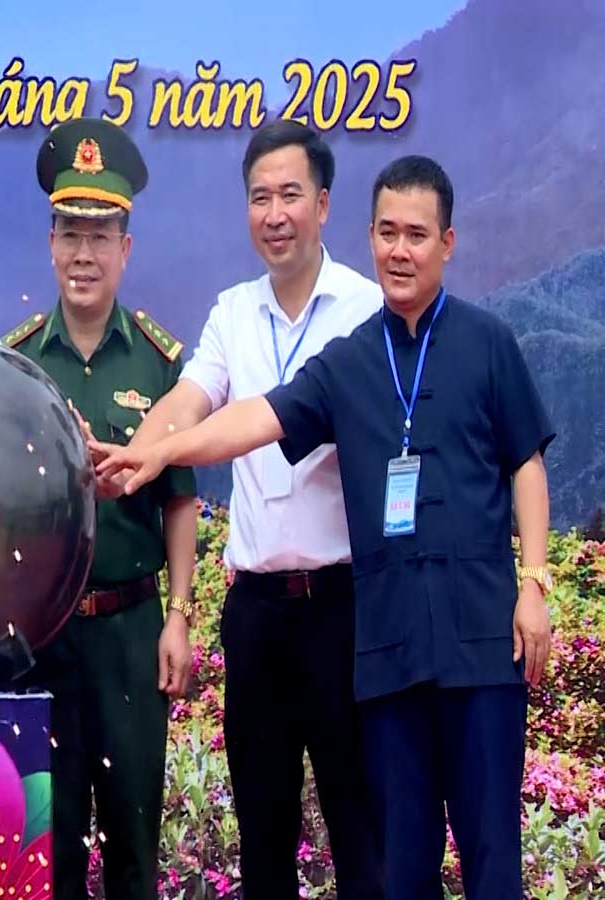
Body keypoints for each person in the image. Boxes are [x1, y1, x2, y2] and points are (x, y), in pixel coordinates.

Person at [95, 155, 555, 900]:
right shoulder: (348, 359)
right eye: (387, 233)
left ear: (447, 242)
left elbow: (524, 461)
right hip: (382, 648)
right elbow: (251, 417)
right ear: (369, 235)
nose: (399, 250)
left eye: (416, 235)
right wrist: (156, 453)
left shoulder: (482, 339)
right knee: (396, 863)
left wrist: (534, 582)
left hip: (460, 637)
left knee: (486, 857)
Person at [115, 120, 383, 898]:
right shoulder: (233, 311)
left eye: (289, 195)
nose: (274, 214)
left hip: (344, 607)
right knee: (264, 831)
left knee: (359, 826)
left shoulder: (365, 309)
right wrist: (137, 453)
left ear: (323, 204)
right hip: (257, 613)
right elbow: (190, 399)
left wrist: (164, 452)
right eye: (259, 197)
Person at [0, 118, 198, 900]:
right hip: (43, 636)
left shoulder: (160, 363)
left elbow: (180, 501)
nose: (85, 253)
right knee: (48, 850)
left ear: (126, 248)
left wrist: (178, 616)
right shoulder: (15, 364)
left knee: (132, 843)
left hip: (130, 633)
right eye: (71, 234)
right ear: (50, 244)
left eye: (101, 236)